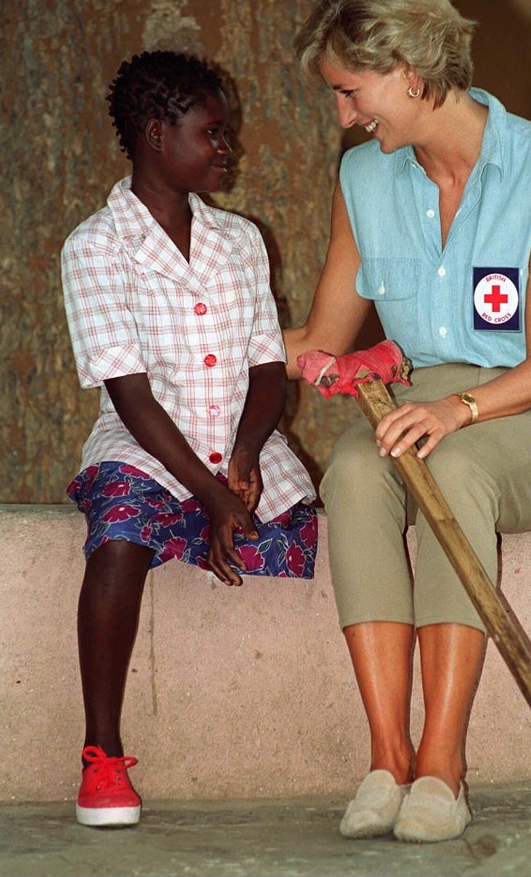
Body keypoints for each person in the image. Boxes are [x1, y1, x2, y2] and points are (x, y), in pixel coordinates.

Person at [284, 0, 531, 844]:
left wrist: (460, 409)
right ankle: (388, 759)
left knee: (451, 467)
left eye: (353, 94)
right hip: (413, 409)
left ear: (410, 73)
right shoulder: (365, 177)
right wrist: (203, 344)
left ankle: (443, 764)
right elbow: (322, 332)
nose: (348, 116)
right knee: (354, 470)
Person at [61, 50, 316, 828]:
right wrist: (207, 494)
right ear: (153, 135)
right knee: (119, 535)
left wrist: (240, 466)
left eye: (225, 133)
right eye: (210, 133)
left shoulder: (240, 240)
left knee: (293, 539)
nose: (225, 148)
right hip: (148, 440)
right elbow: (130, 394)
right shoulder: (95, 249)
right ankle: (101, 751)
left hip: (238, 435)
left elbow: (268, 368)